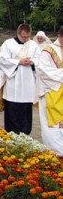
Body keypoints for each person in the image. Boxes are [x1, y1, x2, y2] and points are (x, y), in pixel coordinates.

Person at [0, 23, 40, 135]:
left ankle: (25, 134)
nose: (26, 39)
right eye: (23, 37)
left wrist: (32, 62)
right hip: (14, 84)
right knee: (12, 111)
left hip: (28, 84)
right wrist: (18, 62)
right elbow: (3, 60)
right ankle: (11, 134)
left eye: (28, 37)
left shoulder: (33, 45)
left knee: (26, 113)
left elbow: (40, 60)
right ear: (18, 33)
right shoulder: (8, 44)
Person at [36, 25, 63, 156]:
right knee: (52, 126)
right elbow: (43, 71)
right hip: (51, 92)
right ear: (59, 36)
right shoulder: (48, 50)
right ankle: (56, 153)